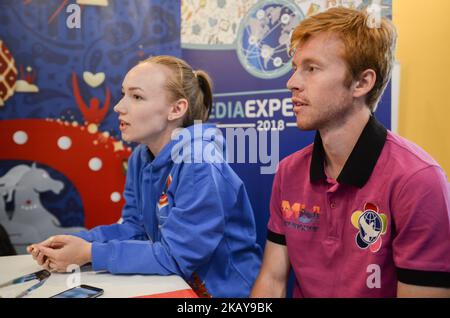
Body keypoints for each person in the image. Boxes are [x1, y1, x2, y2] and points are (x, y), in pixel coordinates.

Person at [251, 7, 450, 298]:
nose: (292, 82)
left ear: (362, 83)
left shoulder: (418, 181)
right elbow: (272, 280)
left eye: (312, 68)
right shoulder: (289, 172)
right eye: (296, 67)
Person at [27, 55, 262, 298]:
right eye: (123, 94)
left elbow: (177, 256)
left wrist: (90, 253)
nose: (119, 106)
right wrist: (76, 243)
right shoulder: (141, 156)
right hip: (173, 287)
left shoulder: (199, 163)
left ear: (176, 109)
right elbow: (136, 228)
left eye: (136, 96)